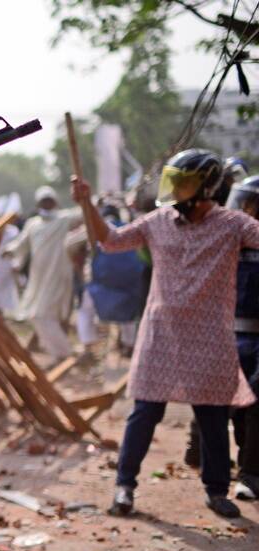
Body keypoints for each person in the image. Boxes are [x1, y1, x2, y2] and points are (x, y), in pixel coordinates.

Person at [72, 149, 259, 519]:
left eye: (183, 183)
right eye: (172, 182)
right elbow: (109, 239)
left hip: (210, 338)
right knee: (144, 413)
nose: (174, 191)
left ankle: (216, 489)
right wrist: (87, 204)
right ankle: (124, 486)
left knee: (212, 418)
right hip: (162, 336)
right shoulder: (158, 221)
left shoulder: (234, 225)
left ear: (206, 187)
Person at [4, 185, 82, 363]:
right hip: (38, 276)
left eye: (49, 201)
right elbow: (21, 243)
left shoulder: (63, 219)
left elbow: (83, 213)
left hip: (58, 273)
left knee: (42, 315)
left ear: (55, 202)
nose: (46, 205)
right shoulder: (33, 224)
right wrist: (10, 250)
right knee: (38, 315)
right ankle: (59, 353)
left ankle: (64, 353)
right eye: (43, 201)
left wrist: (89, 200)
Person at [226, 174, 259, 500]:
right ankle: (241, 463)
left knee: (256, 403)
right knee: (236, 407)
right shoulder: (229, 243)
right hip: (233, 335)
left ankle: (250, 474)